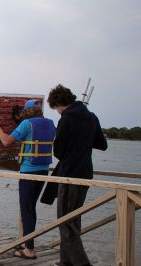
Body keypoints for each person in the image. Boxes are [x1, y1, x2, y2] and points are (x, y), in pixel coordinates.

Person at [0, 99, 56, 260]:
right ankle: (26, 242)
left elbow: (6, 141)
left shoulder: (27, 124)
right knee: (31, 208)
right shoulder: (51, 123)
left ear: (27, 111)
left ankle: (29, 250)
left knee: (26, 209)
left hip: (29, 171)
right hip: (44, 170)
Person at [47, 84, 107, 266]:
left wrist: (59, 140)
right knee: (73, 220)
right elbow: (102, 144)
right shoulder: (91, 116)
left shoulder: (66, 119)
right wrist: (83, 138)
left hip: (70, 174)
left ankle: (82, 264)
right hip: (85, 173)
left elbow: (58, 152)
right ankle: (66, 261)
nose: (57, 112)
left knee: (65, 222)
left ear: (58, 103)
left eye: (55, 108)